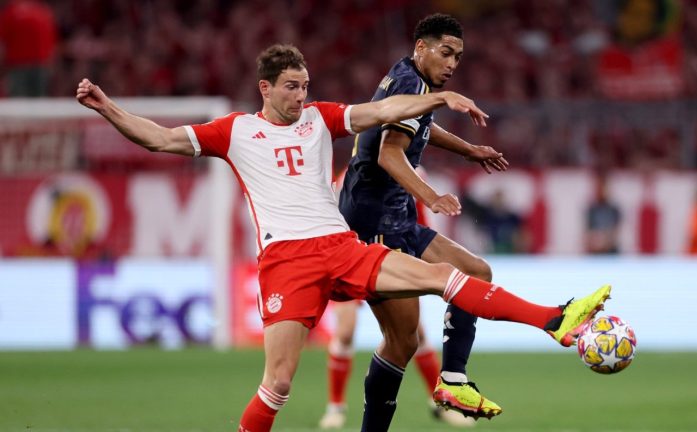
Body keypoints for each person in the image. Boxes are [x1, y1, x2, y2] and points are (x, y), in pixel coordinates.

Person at [76, 43, 611, 432]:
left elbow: (381, 111)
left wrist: (437, 98)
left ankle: (555, 320)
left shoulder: (320, 119)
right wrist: (108, 109)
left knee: (442, 277)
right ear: (265, 87)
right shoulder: (234, 130)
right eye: (291, 86)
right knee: (279, 383)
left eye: (305, 85)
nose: (301, 95)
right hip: (286, 261)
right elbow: (161, 137)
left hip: (341, 245)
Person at [338, 14, 509, 428]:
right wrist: (431, 197)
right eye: (446, 52)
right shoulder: (412, 84)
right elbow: (389, 153)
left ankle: (452, 379)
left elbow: (420, 130)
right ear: (421, 48)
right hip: (373, 223)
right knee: (402, 341)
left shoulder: (409, 78)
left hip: (394, 217)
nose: (452, 63)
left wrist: (468, 150)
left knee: (476, 271)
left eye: (458, 57)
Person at [320, 168, 475, 429]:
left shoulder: (416, 173)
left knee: (414, 335)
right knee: (345, 332)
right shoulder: (351, 174)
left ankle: (439, 402)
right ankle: (335, 407)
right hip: (350, 259)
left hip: (391, 259)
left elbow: (419, 223)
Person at [0, 0, 58, 96]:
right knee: (39, 100)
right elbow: (53, 43)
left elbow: (2, 44)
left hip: (18, 66)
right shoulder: (44, 11)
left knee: (19, 101)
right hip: (39, 65)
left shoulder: (10, 12)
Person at [584, 172, 622, 254]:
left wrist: (605, 241)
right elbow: (588, 231)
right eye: (598, 188)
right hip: (594, 249)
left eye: (603, 188)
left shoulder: (614, 210)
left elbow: (616, 231)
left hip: (610, 249)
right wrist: (595, 241)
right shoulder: (592, 210)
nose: (600, 191)